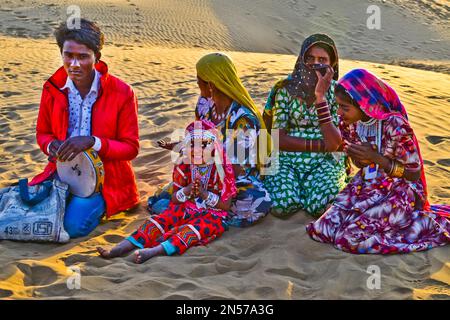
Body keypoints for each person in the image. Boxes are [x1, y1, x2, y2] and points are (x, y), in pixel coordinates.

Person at [306, 69, 450, 254]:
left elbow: (413, 173)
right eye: (338, 106)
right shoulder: (350, 124)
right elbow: (362, 165)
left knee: (349, 239)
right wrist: (360, 158)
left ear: (364, 104)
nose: (340, 113)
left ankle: (419, 222)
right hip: (367, 185)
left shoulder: (395, 125)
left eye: (345, 108)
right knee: (322, 230)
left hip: (400, 191)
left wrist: (378, 159)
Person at [29, 19, 140, 238]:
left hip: (104, 182)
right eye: (68, 55)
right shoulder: (52, 88)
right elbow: (42, 133)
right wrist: (51, 145)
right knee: (26, 210)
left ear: (96, 58)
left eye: (82, 57)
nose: (74, 64)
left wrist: (93, 141)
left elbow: (131, 148)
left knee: (71, 227)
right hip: (61, 174)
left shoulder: (122, 93)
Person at [97, 120, 237, 263]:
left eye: (202, 146)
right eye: (192, 146)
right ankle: (121, 247)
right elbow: (175, 199)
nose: (197, 151)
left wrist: (203, 194)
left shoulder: (221, 168)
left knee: (194, 230)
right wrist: (187, 191)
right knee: (160, 220)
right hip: (186, 206)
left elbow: (225, 205)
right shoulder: (184, 164)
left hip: (212, 214)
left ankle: (154, 251)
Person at [263, 34, 348, 218]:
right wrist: (319, 146)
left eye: (322, 60)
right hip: (285, 159)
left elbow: (334, 144)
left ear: (331, 65)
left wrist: (320, 97)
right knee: (280, 205)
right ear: (301, 59)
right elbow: (278, 138)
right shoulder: (285, 89)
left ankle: (309, 193)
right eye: (309, 58)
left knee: (323, 204)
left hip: (325, 161)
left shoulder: (337, 92)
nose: (314, 64)